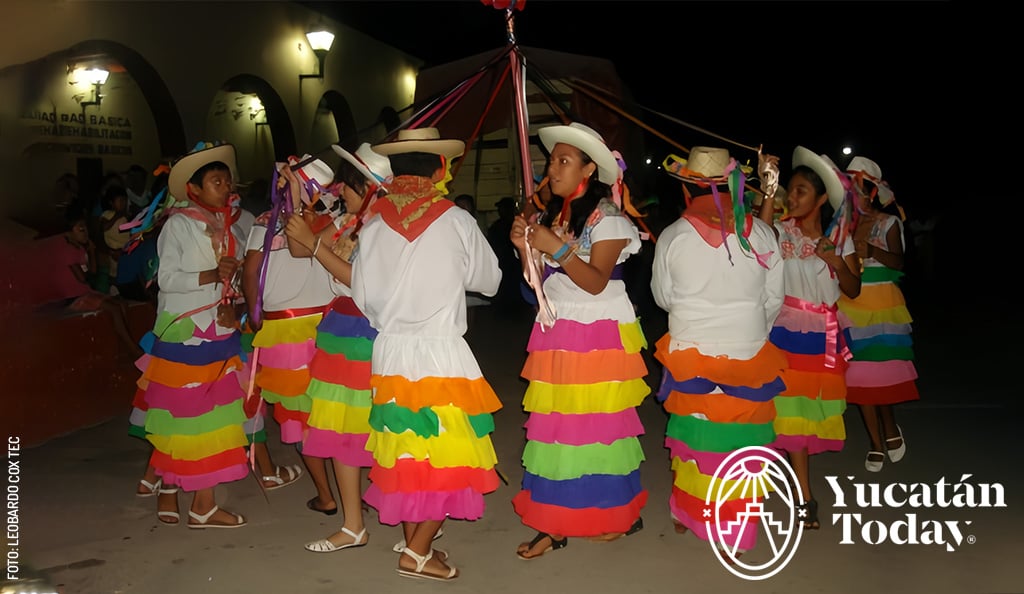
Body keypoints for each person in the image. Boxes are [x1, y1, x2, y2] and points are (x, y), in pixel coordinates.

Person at [351, 127, 503, 581]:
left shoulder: (373, 224)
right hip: (440, 354)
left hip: (391, 352)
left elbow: (362, 297)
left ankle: (416, 536)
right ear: (440, 169)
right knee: (455, 453)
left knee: (410, 450)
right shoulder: (455, 220)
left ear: (396, 171)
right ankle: (416, 552)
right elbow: (489, 281)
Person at [509, 122, 649, 559]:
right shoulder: (555, 215)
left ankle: (614, 515)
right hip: (558, 329)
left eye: (563, 161)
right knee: (558, 432)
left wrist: (556, 247)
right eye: (551, 160)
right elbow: (536, 281)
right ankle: (556, 520)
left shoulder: (608, 218)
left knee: (599, 432)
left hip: (599, 332)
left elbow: (592, 282)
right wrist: (523, 247)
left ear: (590, 168)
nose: (552, 169)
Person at [650, 147, 786, 558]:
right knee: (742, 444)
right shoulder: (761, 234)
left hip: (692, 354)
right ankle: (737, 530)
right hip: (748, 353)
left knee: (696, 438)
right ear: (734, 187)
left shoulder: (673, 235)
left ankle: (687, 513)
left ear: (687, 189)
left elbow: (663, 297)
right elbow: (774, 297)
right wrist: (753, 334)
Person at [282, 142, 392, 553]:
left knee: (386, 426)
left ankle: (416, 518)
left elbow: (365, 286)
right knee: (340, 428)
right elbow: (298, 247)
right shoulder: (348, 220)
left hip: (372, 329)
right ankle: (352, 525)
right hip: (340, 331)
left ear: (370, 187)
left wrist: (315, 247)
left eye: (348, 183)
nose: (340, 189)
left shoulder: (388, 226)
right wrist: (294, 194)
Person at [135, 141, 250, 528]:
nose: (225, 186)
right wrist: (210, 274)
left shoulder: (232, 226)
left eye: (226, 180)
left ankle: (203, 503)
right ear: (194, 190)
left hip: (218, 331)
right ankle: (171, 488)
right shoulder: (179, 225)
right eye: (216, 181)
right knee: (180, 420)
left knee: (213, 421)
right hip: (184, 334)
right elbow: (165, 278)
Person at [759, 146, 861, 529]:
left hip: (823, 337)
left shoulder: (840, 240)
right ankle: (804, 496)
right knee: (787, 413)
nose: (794, 197)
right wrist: (770, 191)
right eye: (792, 189)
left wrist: (835, 260)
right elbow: (759, 236)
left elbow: (852, 288)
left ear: (821, 199)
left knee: (803, 416)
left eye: (801, 191)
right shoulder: (781, 231)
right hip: (785, 329)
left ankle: (797, 487)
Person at [837, 156, 918, 472]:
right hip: (851, 303)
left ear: (871, 191)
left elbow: (898, 262)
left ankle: (890, 427)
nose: (850, 195)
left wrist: (870, 251)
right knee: (859, 377)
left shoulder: (889, 222)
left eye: (855, 189)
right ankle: (874, 442)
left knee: (882, 373)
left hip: (884, 304)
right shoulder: (842, 225)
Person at [43, 203, 144, 360]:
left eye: (85, 229)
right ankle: (132, 348)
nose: (86, 233)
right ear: (70, 231)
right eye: (81, 229)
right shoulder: (66, 250)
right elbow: (83, 278)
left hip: (84, 292)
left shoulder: (79, 248)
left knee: (122, 304)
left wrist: (91, 251)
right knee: (114, 309)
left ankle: (124, 350)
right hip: (73, 297)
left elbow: (93, 272)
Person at [487, 196, 523, 313]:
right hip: (505, 264)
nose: (499, 211)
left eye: (502, 208)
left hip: (511, 264)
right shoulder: (500, 225)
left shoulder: (515, 225)